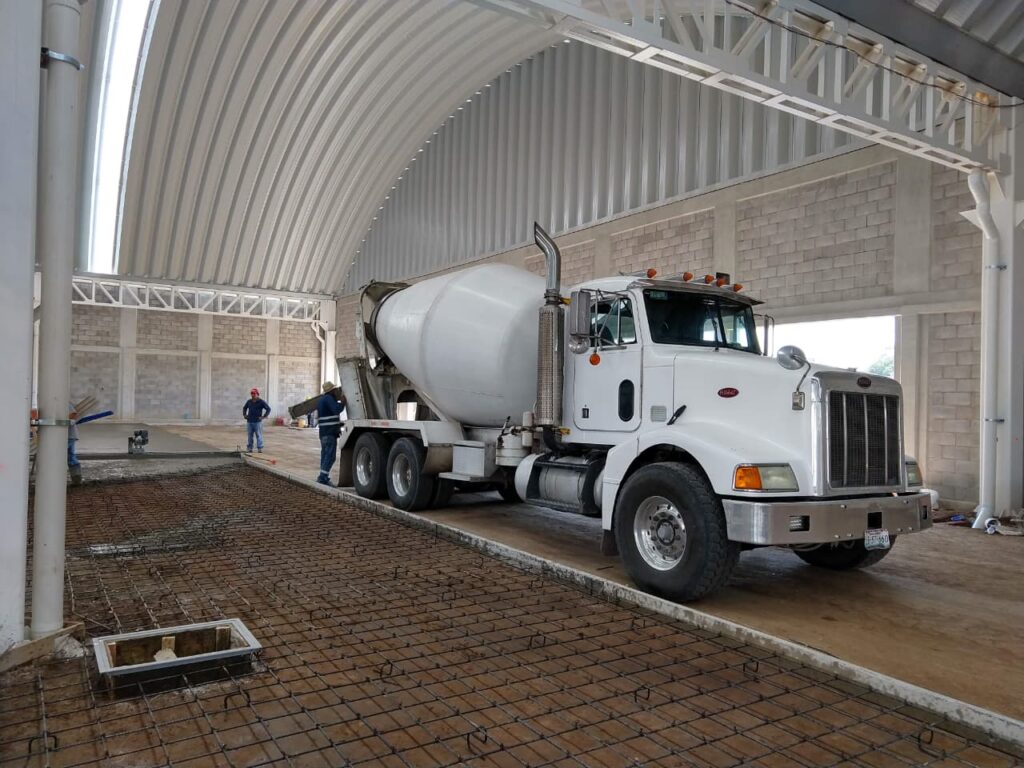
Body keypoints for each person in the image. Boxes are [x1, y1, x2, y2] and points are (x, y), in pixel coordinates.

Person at [315, 381, 346, 486]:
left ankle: (323, 476)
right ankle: (322, 478)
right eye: (335, 389)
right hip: (329, 433)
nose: (337, 391)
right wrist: (343, 402)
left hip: (324, 433)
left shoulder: (322, 400)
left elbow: (328, 416)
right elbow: (336, 409)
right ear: (331, 391)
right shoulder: (328, 398)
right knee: (330, 456)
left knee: (325, 455)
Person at [242, 388, 271, 453]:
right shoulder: (249, 401)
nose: (252, 395)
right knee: (250, 436)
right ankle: (249, 448)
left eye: (254, 393)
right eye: (251, 393)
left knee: (258, 435)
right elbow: (244, 408)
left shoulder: (261, 402)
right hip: (249, 421)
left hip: (257, 422)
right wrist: (244, 415)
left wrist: (264, 416)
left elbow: (268, 409)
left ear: (257, 394)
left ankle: (259, 448)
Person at [67, 402, 82, 485]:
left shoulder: (64, 403)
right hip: (69, 435)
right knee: (70, 457)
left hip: (68, 435)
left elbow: (73, 414)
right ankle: (76, 479)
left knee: (60, 456)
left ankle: (76, 479)